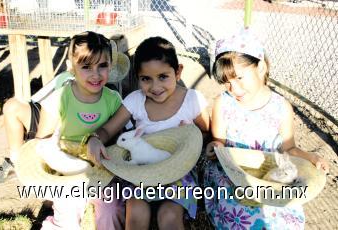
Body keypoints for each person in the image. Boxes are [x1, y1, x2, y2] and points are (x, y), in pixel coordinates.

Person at [203, 28, 329, 229]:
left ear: (261, 67)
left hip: (270, 173)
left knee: (280, 214)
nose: (234, 89)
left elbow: (289, 149)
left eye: (239, 78)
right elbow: (220, 143)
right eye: (227, 82)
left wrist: (312, 158)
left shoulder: (281, 107)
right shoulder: (223, 103)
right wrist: (214, 147)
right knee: (244, 214)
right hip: (234, 172)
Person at [86, 36, 210, 229]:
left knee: (169, 216)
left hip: (179, 172)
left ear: (178, 72)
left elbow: (205, 131)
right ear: (137, 78)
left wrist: (190, 134)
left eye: (163, 76)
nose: (155, 87)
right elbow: (107, 129)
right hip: (142, 172)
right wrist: (94, 139)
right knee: (135, 213)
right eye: (146, 79)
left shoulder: (192, 100)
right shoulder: (135, 101)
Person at [0, 72, 73, 184]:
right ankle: (17, 164)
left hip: (71, 131)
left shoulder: (98, 85)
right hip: (47, 123)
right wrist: (3, 119)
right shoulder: (65, 76)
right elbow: (34, 100)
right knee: (12, 106)